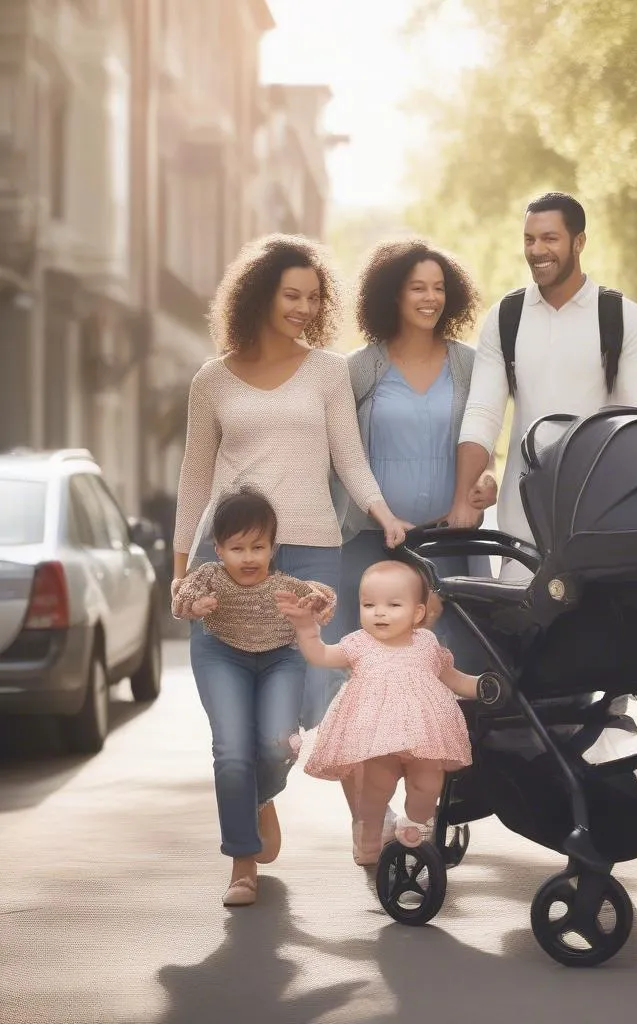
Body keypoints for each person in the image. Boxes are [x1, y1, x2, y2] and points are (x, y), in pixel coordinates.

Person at [172, 233, 409, 904]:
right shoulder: (212, 380)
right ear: (259, 297)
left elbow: (349, 457)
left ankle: (259, 788)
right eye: (290, 296)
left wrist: (382, 511)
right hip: (229, 561)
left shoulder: (329, 373)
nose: (303, 308)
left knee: (295, 719)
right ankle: (242, 852)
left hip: (308, 553)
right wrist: (181, 565)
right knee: (232, 735)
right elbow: (194, 479)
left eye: (313, 297)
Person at [445, 192, 637, 578]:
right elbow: (483, 412)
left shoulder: (619, 316)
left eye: (550, 238)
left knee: (595, 637)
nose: (537, 250)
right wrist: (464, 496)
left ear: (579, 242)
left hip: (600, 520)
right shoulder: (506, 317)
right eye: (529, 239)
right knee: (522, 634)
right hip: (521, 526)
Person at [335, 238, 497, 666]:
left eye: (439, 287)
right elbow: (339, 451)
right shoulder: (361, 367)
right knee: (367, 666)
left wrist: (484, 482)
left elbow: (483, 442)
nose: (431, 298)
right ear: (393, 293)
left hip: (450, 543)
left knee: (453, 662)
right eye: (417, 287)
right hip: (372, 542)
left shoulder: (470, 364)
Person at [171, 490, 336, 905]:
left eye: (258, 547)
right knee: (231, 748)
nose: (248, 557)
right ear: (219, 548)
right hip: (222, 654)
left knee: (278, 742)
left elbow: (321, 599)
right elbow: (180, 598)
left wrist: (315, 603)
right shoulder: (208, 575)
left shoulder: (285, 586)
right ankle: (243, 862)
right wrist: (194, 605)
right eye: (237, 548)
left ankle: (260, 795)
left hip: (280, 658)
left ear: (273, 547)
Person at [276, 560, 493, 871]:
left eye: (393, 605)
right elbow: (320, 654)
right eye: (369, 604)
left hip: (424, 737)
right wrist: (305, 627)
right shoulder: (358, 644)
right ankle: (370, 834)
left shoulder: (427, 644)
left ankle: (415, 826)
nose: (379, 612)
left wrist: (485, 686)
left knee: (428, 784)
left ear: (418, 613)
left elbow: (454, 678)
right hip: (379, 740)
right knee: (374, 792)